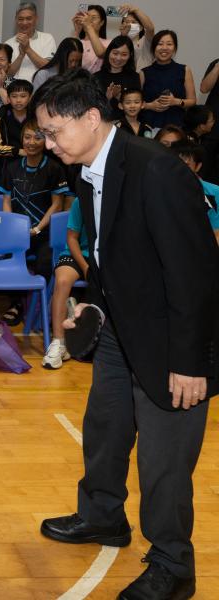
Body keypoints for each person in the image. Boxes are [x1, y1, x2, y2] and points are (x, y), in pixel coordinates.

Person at [34, 68, 218, 600]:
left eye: (53, 131)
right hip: (121, 327)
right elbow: (115, 257)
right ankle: (101, 516)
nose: (48, 143)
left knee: (163, 461)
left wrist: (190, 361)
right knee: (106, 427)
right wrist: (91, 306)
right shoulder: (92, 169)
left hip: (170, 343)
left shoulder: (155, 171)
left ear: (92, 119)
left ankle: (173, 564)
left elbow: (194, 272)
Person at [0, 118, 66, 326]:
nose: (32, 142)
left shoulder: (54, 168)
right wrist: (13, 227)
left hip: (44, 232)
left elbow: (57, 205)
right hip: (17, 233)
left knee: (45, 261)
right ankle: (16, 303)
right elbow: (6, 200)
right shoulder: (12, 167)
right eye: (27, 137)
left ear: (46, 140)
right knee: (9, 258)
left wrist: (36, 229)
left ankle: (38, 305)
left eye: (38, 137)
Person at [42, 195, 89, 369]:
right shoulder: (81, 201)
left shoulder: (122, 198)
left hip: (106, 258)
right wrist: (85, 267)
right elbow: (72, 238)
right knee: (62, 281)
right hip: (77, 254)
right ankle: (59, 342)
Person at [140, 30, 196, 130]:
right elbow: (135, 102)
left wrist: (176, 101)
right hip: (148, 126)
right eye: (160, 44)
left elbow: (192, 101)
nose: (164, 48)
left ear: (174, 48)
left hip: (176, 126)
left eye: (169, 44)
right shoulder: (144, 73)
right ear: (153, 48)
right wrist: (150, 105)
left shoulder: (184, 70)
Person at [171, 140, 219, 245]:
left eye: (187, 165)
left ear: (198, 166)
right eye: (176, 163)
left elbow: (217, 232)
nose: (179, 169)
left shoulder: (214, 192)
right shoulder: (161, 189)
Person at [5, 2, 56, 83]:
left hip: (40, 88)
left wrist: (27, 49)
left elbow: (48, 67)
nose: (24, 23)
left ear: (36, 19)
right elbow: (7, 75)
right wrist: (21, 55)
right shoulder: (8, 43)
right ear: (16, 20)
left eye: (29, 18)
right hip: (15, 91)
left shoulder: (47, 38)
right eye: (20, 19)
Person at [95, 36, 140, 121]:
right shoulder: (96, 77)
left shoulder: (134, 77)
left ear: (130, 55)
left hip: (126, 126)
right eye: (115, 53)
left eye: (124, 54)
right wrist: (107, 98)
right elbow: (91, 108)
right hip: (103, 124)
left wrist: (120, 98)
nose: (118, 58)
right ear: (109, 52)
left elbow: (136, 108)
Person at [0, 78, 33, 164]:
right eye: (14, 96)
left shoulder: (37, 116)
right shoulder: (2, 116)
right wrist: (18, 151)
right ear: (8, 98)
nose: (18, 100)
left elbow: (44, 140)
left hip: (35, 161)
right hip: (8, 164)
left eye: (23, 96)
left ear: (30, 98)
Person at [117, 4, 155, 70]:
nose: (129, 25)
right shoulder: (117, 43)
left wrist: (136, 10)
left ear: (141, 27)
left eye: (133, 22)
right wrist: (123, 36)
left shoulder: (145, 41)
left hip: (144, 78)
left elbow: (150, 28)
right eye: (126, 22)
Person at [72, 5, 108, 73]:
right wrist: (77, 31)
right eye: (87, 17)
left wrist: (88, 26)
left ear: (102, 22)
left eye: (93, 18)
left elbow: (100, 53)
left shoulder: (108, 42)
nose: (89, 20)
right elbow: (68, 58)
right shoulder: (78, 41)